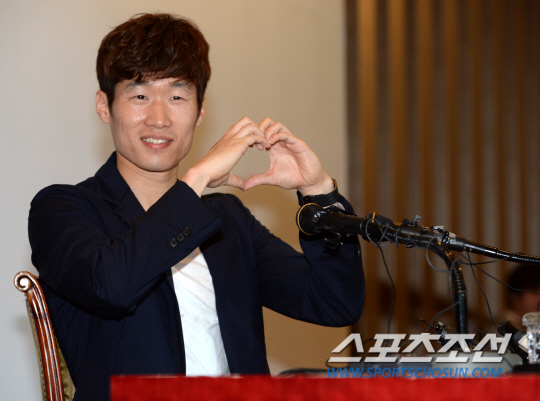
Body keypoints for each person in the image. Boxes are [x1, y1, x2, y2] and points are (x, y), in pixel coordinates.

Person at [28, 13, 364, 401]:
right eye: (139, 96)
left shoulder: (227, 220)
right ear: (105, 106)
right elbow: (111, 286)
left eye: (177, 96)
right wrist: (198, 177)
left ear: (200, 111)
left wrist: (318, 192)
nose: (159, 118)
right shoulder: (62, 209)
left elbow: (335, 303)